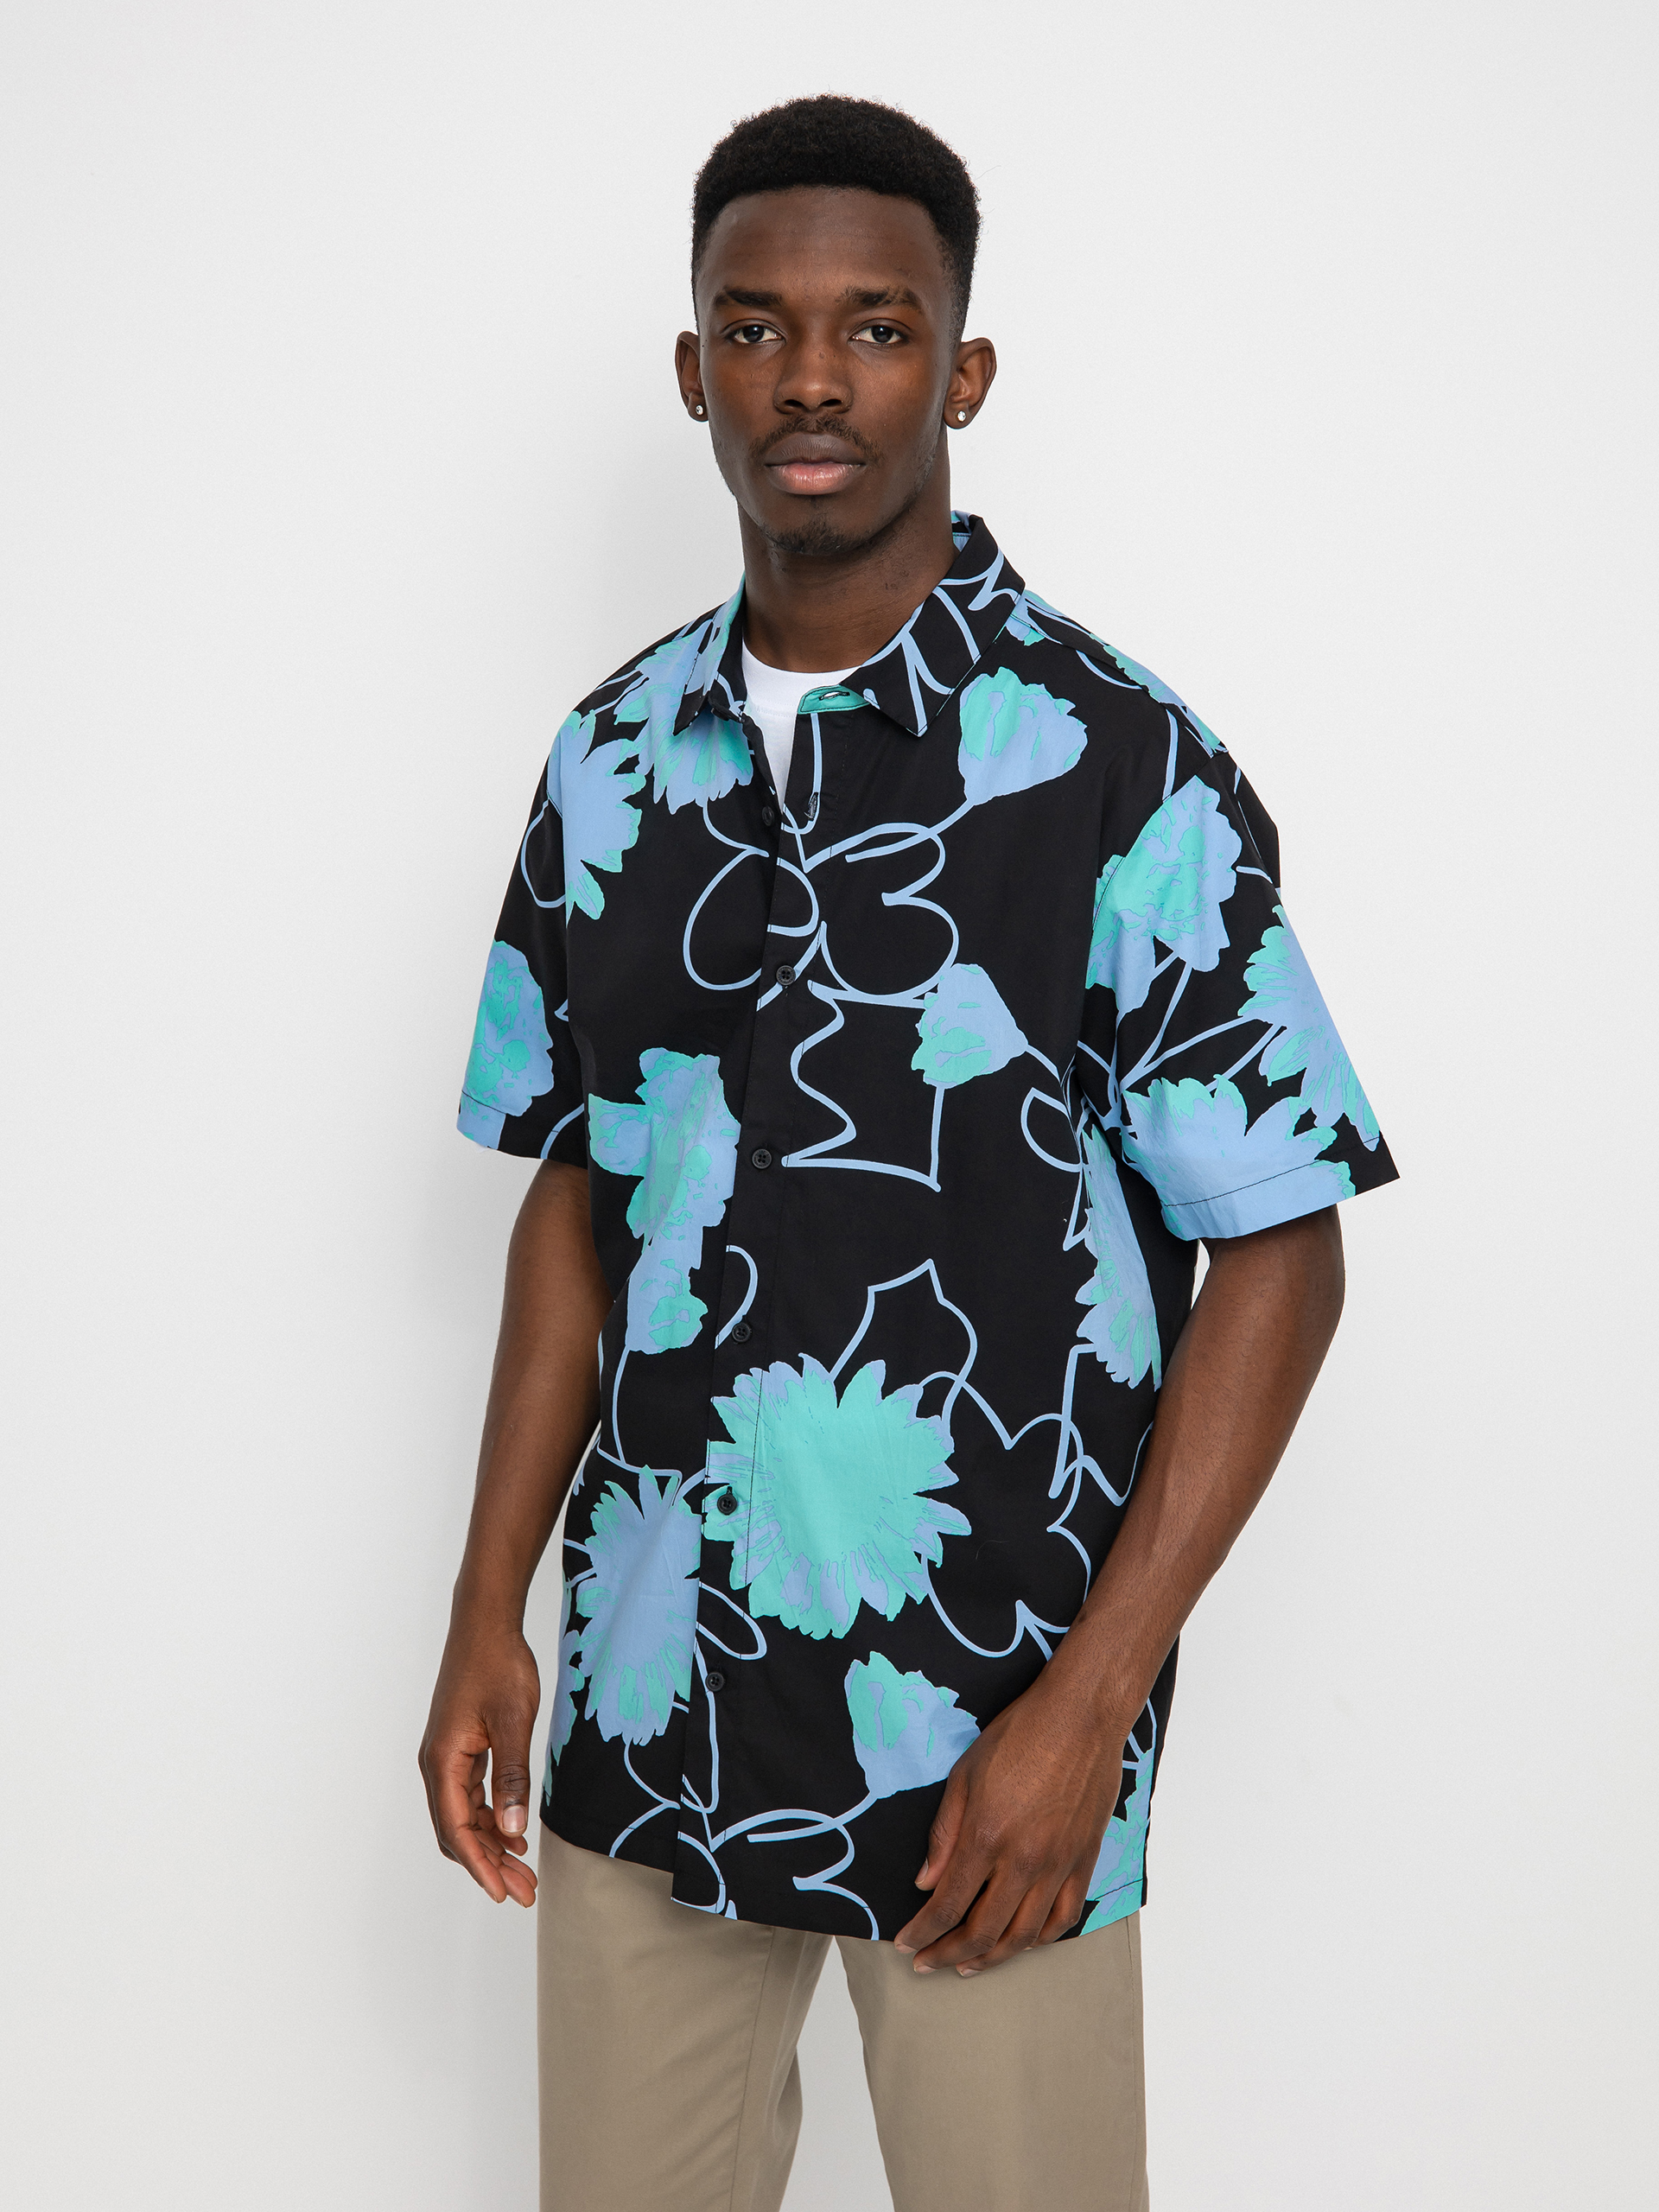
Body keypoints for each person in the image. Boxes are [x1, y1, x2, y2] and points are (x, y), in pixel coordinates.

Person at [419, 93, 1396, 2212]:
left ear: (962, 372)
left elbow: (1284, 1248)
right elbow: (577, 1193)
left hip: (992, 1728)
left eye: (876, 327)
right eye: (756, 327)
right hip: (653, 1696)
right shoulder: (607, 762)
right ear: (695, 369)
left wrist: (1090, 1711)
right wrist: (489, 1603)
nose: (812, 378)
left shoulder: (1119, 763)